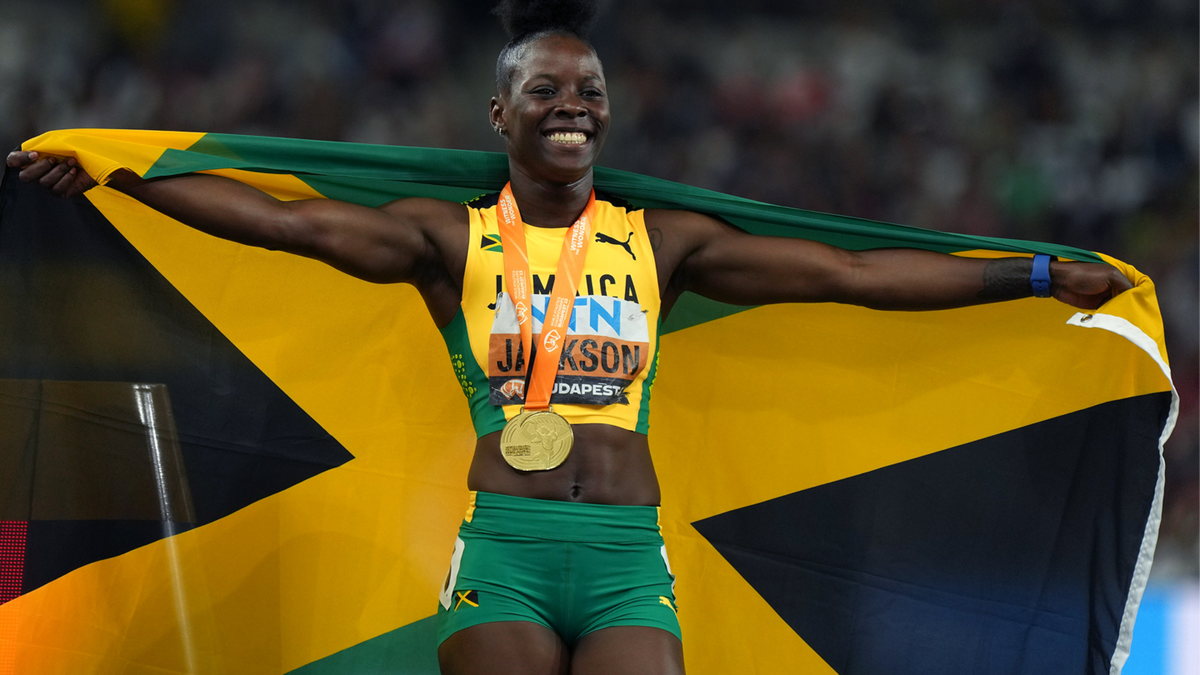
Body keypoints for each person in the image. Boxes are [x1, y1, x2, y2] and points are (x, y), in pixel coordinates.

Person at [6, 1, 1131, 673]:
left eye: (588, 89)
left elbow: (851, 276)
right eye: (546, 89)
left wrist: (1029, 273)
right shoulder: (448, 242)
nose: (573, 105)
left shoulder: (667, 245)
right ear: (501, 114)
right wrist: (127, 174)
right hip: (505, 547)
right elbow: (285, 223)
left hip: (625, 559)